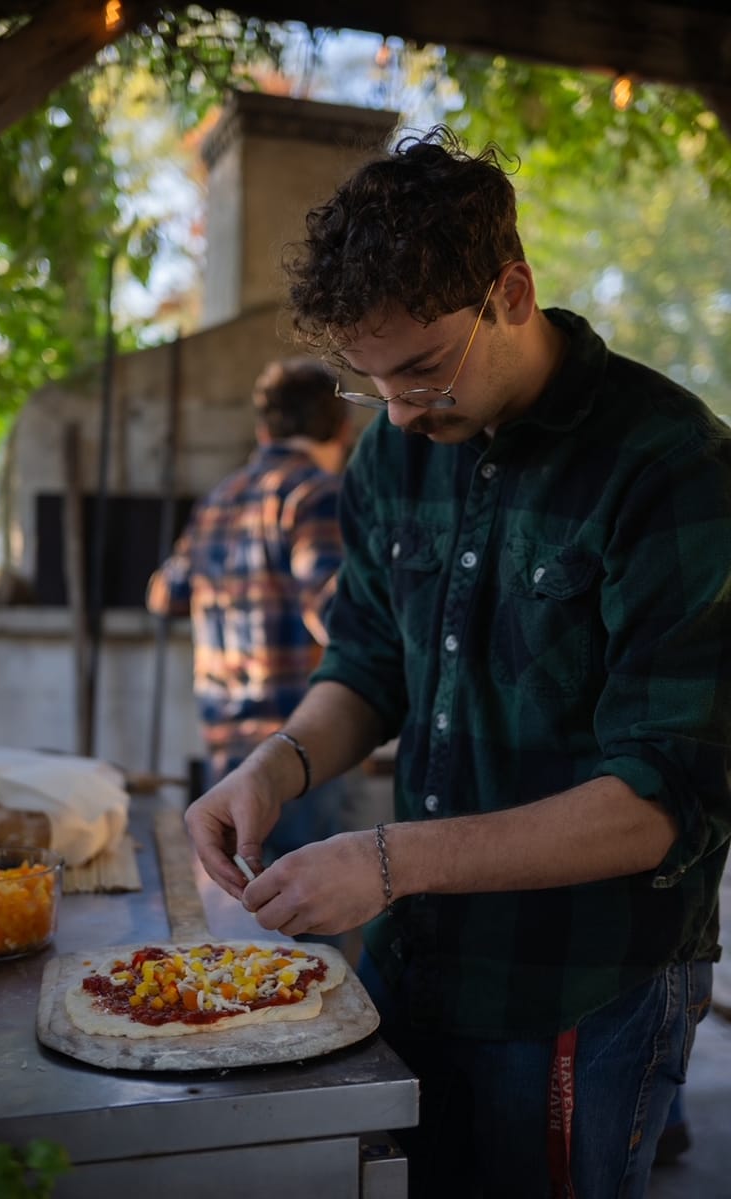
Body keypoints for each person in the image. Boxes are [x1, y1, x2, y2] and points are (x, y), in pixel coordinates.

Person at [183, 128, 731, 1198]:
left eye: (424, 368)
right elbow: (369, 660)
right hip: (417, 958)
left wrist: (385, 860)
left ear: (512, 292)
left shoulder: (672, 468)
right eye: (366, 381)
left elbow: (664, 798)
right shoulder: (395, 449)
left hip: (581, 977)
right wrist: (277, 764)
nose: (395, 412)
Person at [147, 356, 352, 863]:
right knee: (304, 923)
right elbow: (336, 615)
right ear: (345, 429)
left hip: (226, 742)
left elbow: (162, 595)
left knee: (241, 915)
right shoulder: (318, 494)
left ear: (263, 430)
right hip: (298, 749)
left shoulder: (219, 497)